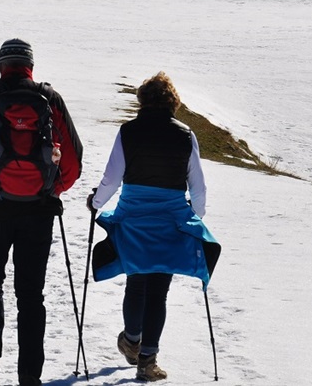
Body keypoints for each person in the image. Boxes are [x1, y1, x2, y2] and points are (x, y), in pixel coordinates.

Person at [0, 38, 84, 386]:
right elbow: (73, 161)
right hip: (38, 211)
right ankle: (29, 375)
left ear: (1, 65)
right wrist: (51, 188)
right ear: (30, 66)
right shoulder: (50, 100)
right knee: (30, 293)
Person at [87, 71, 217, 382]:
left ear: (143, 100)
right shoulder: (186, 135)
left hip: (134, 218)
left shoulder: (128, 132)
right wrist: (193, 218)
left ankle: (132, 340)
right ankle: (148, 360)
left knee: (136, 282)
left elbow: (112, 178)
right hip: (170, 220)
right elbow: (197, 188)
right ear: (173, 101)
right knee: (158, 292)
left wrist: (96, 202)